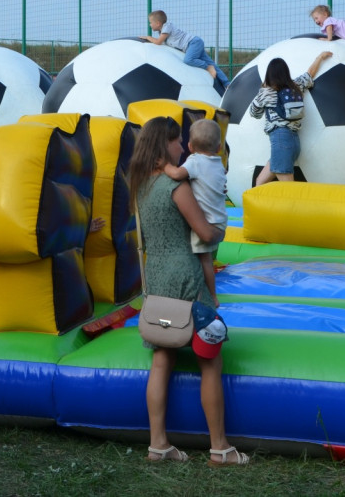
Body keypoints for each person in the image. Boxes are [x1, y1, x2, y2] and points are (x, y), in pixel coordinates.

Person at [129, 116, 247, 466]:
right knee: (209, 360)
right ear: (163, 145)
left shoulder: (141, 186)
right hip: (186, 278)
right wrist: (217, 229)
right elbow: (206, 234)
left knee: (162, 359)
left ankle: (158, 444)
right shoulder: (176, 187)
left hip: (157, 278)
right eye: (177, 142)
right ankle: (220, 447)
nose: (182, 147)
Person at [161, 118, 227, 303]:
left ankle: (212, 296)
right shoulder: (218, 163)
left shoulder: (195, 161)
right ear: (219, 147)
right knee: (207, 258)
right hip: (219, 219)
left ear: (189, 146)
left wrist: (164, 165)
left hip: (207, 222)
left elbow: (176, 174)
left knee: (204, 260)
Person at [249, 52, 332, 186]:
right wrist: (320, 58)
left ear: (269, 75)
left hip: (280, 140)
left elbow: (254, 113)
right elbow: (309, 74)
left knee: (288, 188)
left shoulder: (266, 92)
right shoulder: (296, 85)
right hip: (293, 141)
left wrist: (263, 89)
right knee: (260, 182)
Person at [140, 10, 229, 89]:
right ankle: (227, 83)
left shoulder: (167, 27)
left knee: (188, 60)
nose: (150, 25)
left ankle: (208, 67)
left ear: (158, 23)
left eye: (151, 22)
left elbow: (158, 42)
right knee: (211, 62)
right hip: (193, 44)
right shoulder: (162, 32)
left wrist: (148, 38)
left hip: (193, 43)